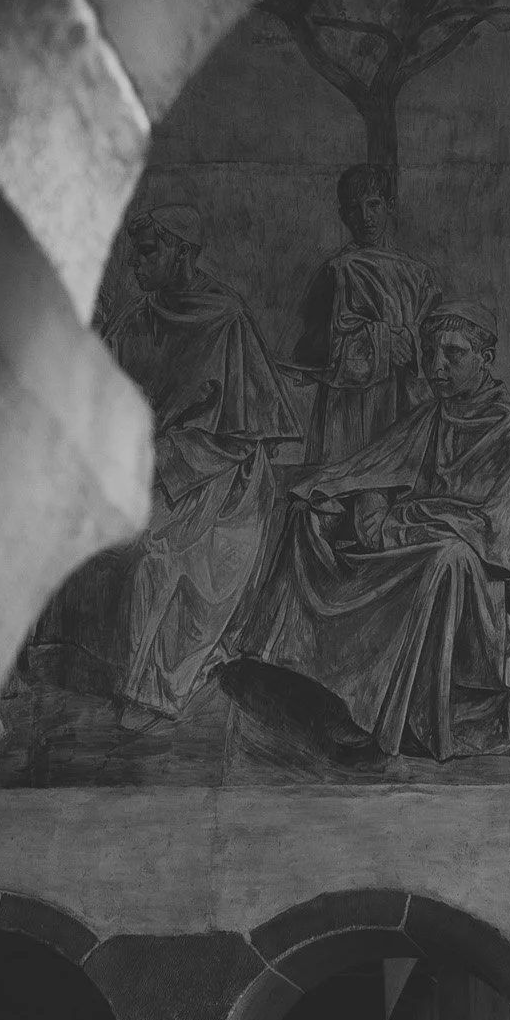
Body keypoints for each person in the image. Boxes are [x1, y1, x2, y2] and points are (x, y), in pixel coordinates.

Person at [239, 301, 510, 759]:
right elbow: (376, 466)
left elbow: (492, 530)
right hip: (413, 540)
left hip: (485, 585)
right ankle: (322, 681)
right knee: (310, 516)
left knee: (445, 559)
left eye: (453, 354)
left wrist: (397, 523)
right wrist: (351, 495)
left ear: (485, 360)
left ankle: (383, 712)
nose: (435, 367)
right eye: (430, 353)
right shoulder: (435, 414)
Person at [41, 200, 302, 722]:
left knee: (150, 553)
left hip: (215, 479)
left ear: (182, 253)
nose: (134, 265)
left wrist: (162, 465)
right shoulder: (138, 318)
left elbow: (240, 434)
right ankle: (86, 657)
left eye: (145, 253)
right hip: (144, 463)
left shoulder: (224, 317)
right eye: (133, 254)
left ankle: (151, 684)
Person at [290, 163, 440, 465]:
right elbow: (314, 349)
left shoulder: (418, 273)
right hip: (347, 402)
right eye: (355, 209)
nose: (366, 217)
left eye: (374, 205)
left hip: (401, 398)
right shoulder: (336, 270)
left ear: (390, 206)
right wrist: (383, 343)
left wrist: (410, 342)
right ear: (343, 214)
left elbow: (433, 336)